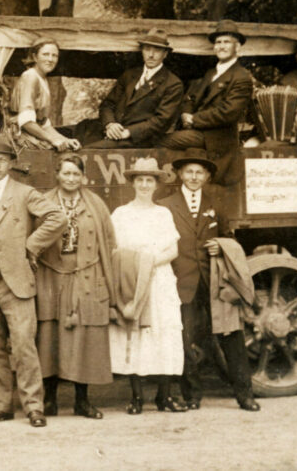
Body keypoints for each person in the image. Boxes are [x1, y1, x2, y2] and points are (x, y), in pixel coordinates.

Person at [0, 135, 67, 428]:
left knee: (22, 345)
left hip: (16, 279)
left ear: (10, 164)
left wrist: (31, 246)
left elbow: (57, 218)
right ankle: (1, 405)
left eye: (2, 160)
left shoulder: (25, 193)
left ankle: (34, 406)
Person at [158, 149, 259, 411]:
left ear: (206, 177)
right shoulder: (166, 206)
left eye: (199, 172)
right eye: (189, 171)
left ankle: (245, 395)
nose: (193, 177)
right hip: (182, 282)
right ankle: (192, 395)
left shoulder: (217, 203)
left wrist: (221, 245)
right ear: (180, 174)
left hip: (215, 283)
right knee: (184, 339)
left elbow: (231, 238)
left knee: (232, 336)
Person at [35, 154, 116, 419]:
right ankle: (49, 400)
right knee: (49, 337)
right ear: (57, 174)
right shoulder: (43, 202)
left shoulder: (96, 205)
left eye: (75, 174)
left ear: (83, 177)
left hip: (87, 276)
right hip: (51, 277)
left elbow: (108, 245)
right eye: (66, 173)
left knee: (86, 339)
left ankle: (83, 401)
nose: (71, 179)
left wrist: (107, 283)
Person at [108, 157, 185, 414]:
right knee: (136, 332)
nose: (144, 184)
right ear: (133, 183)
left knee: (163, 332)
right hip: (132, 280)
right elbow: (115, 251)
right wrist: (136, 267)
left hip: (159, 279)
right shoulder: (121, 214)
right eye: (139, 180)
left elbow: (173, 250)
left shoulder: (162, 213)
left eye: (149, 180)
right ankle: (136, 397)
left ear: (156, 185)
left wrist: (150, 263)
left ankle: (164, 396)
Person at [161, 20, 253, 183]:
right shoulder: (211, 73)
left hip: (216, 139)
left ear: (237, 47)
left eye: (227, 42)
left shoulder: (241, 76)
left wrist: (194, 120)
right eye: (218, 42)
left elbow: (228, 113)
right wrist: (186, 113)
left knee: (164, 140)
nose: (221, 46)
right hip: (198, 133)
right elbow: (191, 97)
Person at [76, 28, 184, 148]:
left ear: (165, 54)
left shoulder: (172, 84)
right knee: (75, 139)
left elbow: (160, 121)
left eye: (157, 50)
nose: (151, 55)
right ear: (142, 51)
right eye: (147, 49)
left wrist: (128, 132)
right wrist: (110, 124)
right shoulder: (130, 75)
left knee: (87, 151)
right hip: (111, 132)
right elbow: (108, 104)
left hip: (139, 140)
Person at [5, 38, 80, 152]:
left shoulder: (42, 79)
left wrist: (65, 140)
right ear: (35, 57)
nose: (50, 59)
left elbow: (44, 124)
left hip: (32, 134)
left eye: (54, 56)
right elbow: (26, 122)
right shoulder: (30, 77)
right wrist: (53, 140)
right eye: (45, 54)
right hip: (21, 139)